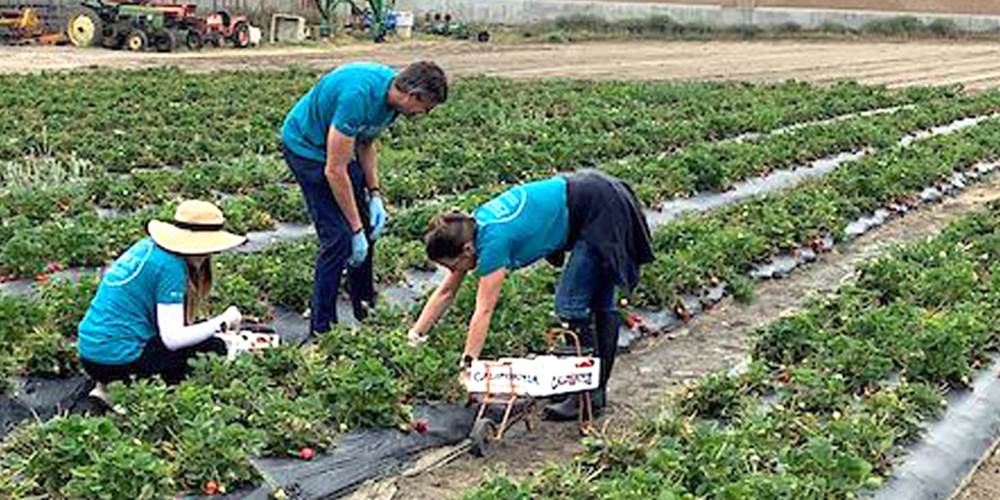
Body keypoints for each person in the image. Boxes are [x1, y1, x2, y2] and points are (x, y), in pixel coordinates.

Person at [408, 170, 654, 420]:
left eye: (451, 265)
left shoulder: (493, 242)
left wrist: (469, 367)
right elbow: (447, 291)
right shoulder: (471, 229)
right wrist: (415, 336)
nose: (452, 272)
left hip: (600, 208)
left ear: (467, 250)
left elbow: (483, 310)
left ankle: (585, 394)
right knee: (598, 301)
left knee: (570, 306)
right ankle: (591, 391)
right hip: (597, 195)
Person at [282, 60, 448, 335]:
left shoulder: (392, 104)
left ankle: (364, 305)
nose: (424, 114)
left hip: (337, 150)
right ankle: (322, 329)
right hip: (307, 149)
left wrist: (374, 194)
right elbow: (334, 171)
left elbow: (366, 142)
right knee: (338, 238)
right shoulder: (357, 96)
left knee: (368, 226)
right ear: (413, 96)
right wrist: (355, 229)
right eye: (426, 107)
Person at [77, 200, 247, 395]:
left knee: (201, 336)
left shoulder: (148, 247)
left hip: (90, 354)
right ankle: (121, 391)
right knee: (214, 348)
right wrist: (222, 322)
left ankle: (105, 386)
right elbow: (172, 339)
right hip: (119, 361)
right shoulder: (171, 267)